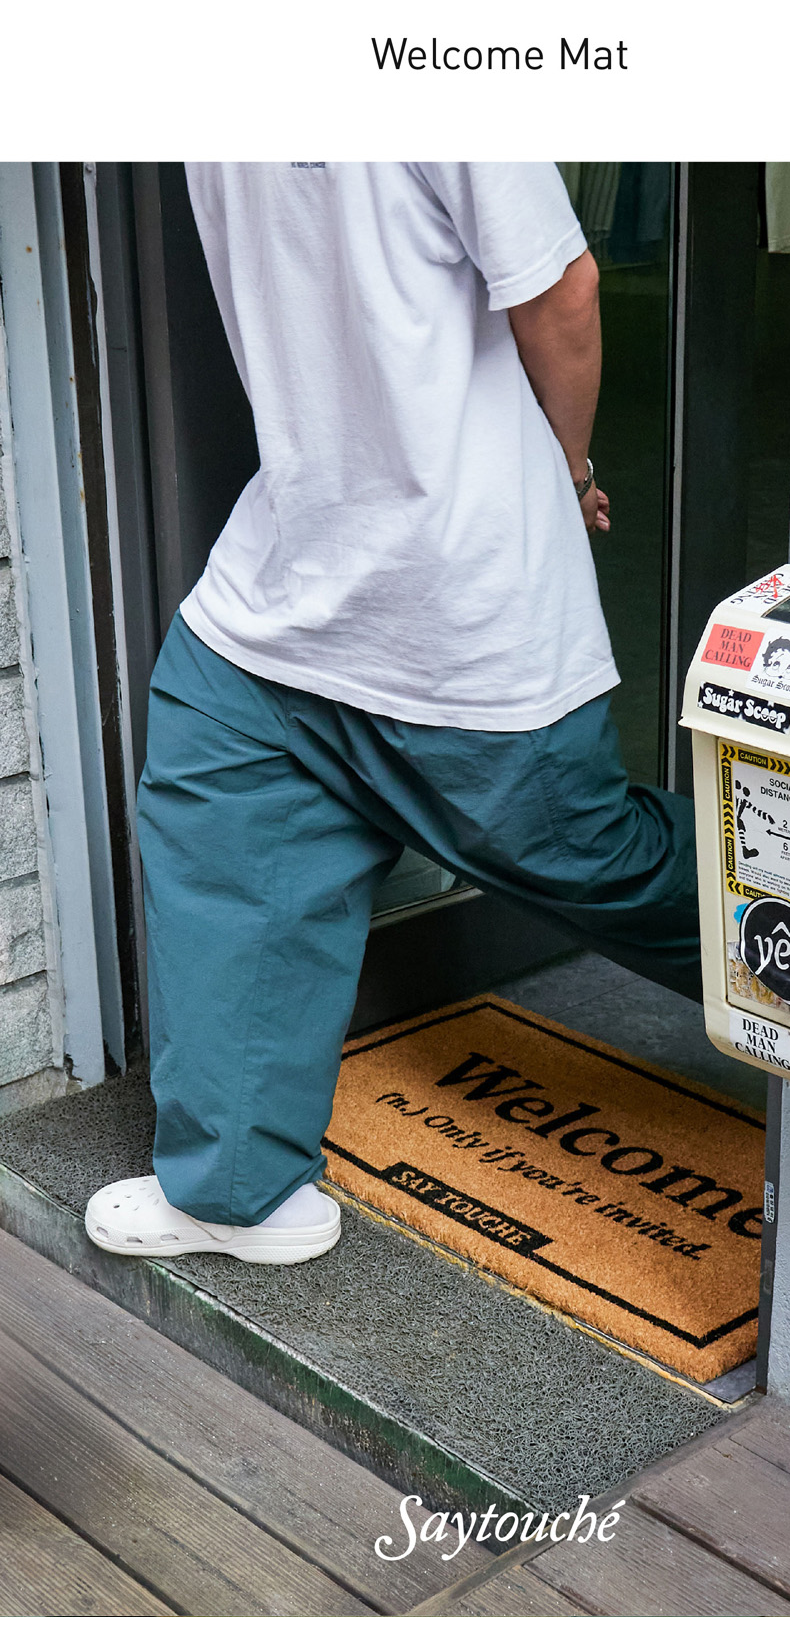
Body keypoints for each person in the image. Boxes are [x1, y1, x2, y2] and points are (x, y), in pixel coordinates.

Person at [85, 163, 701, 1266]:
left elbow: (561, 286)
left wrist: (566, 473)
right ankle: (233, 1188)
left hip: (461, 597)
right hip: (286, 572)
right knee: (218, 811)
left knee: (591, 859)